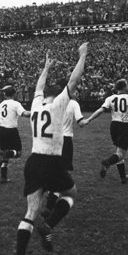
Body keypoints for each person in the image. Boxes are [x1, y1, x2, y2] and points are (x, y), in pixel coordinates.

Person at [12, 42, 88, 255]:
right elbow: (73, 81)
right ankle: (49, 225)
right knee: (70, 193)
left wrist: (45, 68)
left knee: (31, 211)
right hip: (52, 160)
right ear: (58, 96)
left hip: (33, 161)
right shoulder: (58, 105)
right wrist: (82, 56)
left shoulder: (35, 105)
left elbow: (38, 88)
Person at [83, 79, 128, 184]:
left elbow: (101, 110)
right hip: (124, 126)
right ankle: (107, 162)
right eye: (126, 85)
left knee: (118, 151)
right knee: (121, 154)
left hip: (114, 126)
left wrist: (89, 119)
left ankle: (123, 177)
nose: (127, 87)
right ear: (123, 87)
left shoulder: (110, 98)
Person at [42, 88, 86, 218]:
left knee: (53, 169)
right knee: (61, 172)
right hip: (65, 140)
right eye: (75, 90)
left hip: (52, 138)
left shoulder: (53, 102)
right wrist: (87, 121)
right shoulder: (73, 103)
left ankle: (47, 190)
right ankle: (49, 205)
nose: (76, 93)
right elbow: (81, 122)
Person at [0, 86, 31, 184]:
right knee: (18, 153)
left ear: (5, 94)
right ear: (14, 94)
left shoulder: (1, 104)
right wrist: (36, 113)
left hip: (1, 130)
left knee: (4, 152)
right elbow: (25, 114)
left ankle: (3, 177)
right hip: (11, 130)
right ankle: (7, 154)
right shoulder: (16, 104)